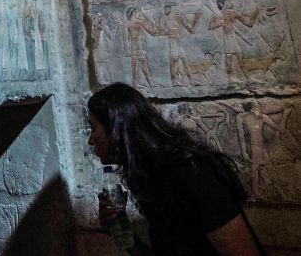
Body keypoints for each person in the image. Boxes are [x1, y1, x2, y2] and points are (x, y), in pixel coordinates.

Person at [87, 83, 264, 255]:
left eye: (93, 128)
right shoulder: (152, 178)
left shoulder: (190, 172)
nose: (90, 140)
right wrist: (121, 231)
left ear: (116, 129)